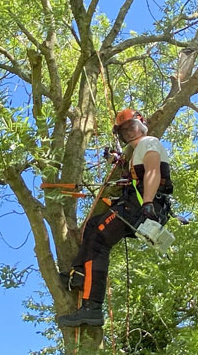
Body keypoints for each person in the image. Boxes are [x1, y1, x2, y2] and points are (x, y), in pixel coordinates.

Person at [57, 108, 173, 327]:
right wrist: (115, 159)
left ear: (141, 124)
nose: (128, 132)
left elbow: (152, 171)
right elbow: (131, 168)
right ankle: (81, 275)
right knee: (93, 226)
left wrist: (148, 202)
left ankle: (91, 308)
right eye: (124, 131)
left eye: (131, 127)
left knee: (99, 239)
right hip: (134, 204)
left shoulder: (149, 142)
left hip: (143, 205)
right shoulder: (134, 152)